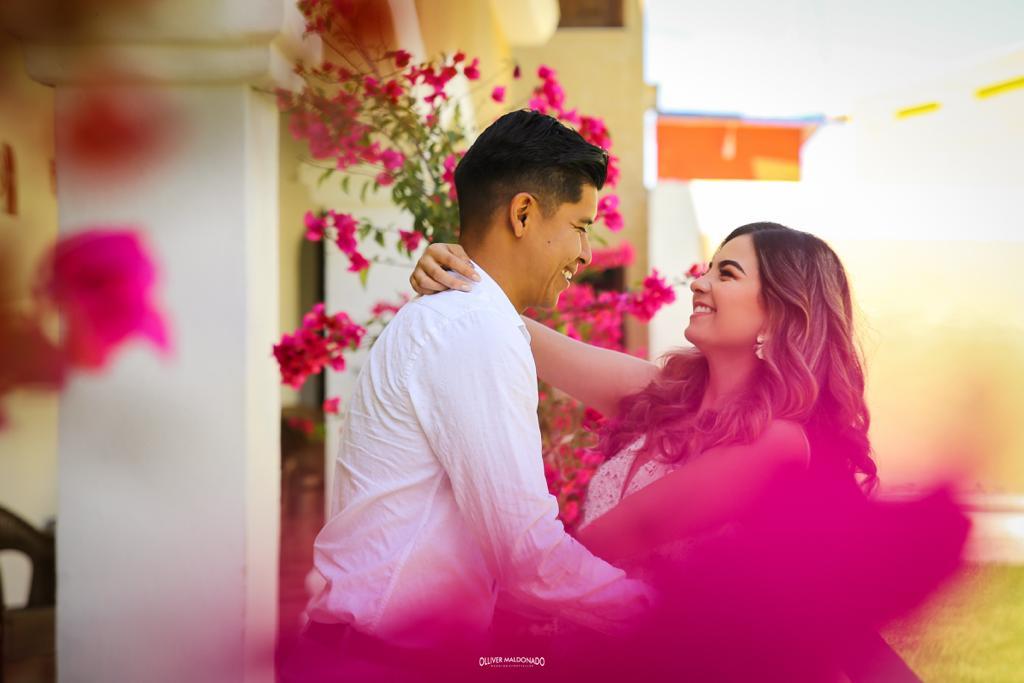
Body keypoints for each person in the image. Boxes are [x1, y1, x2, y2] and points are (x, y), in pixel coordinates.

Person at [410, 222, 965, 680]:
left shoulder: (778, 443)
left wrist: (479, 606)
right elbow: (517, 335)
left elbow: (617, 537)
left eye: (727, 273)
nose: (699, 283)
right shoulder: (664, 395)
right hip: (602, 643)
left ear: (779, 312)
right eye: (707, 268)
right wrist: (457, 274)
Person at [280, 110, 653, 683]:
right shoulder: (473, 327)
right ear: (523, 213)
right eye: (581, 226)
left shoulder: (468, 319)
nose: (585, 252)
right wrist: (658, 618)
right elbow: (527, 556)